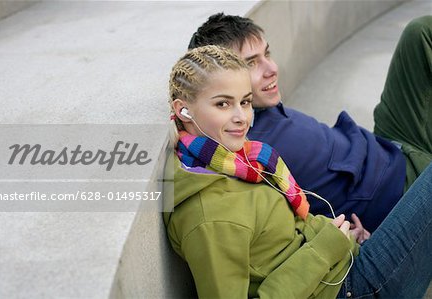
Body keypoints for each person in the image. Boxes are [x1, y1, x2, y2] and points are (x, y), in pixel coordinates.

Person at [164, 45, 432, 298]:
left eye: (245, 102)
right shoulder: (209, 215)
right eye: (223, 104)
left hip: (344, 259)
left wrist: (340, 238)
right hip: (349, 288)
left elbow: (283, 242)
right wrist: (325, 249)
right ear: (183, 110)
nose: (241, 117)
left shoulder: (237, 161)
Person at [187, 13, 432, 232]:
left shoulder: (260, 106)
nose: (271, 68)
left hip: (388, 145)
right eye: (251, 63)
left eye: (267, 54)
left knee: (420, 32)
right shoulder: (247, 147)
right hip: (405, 190)